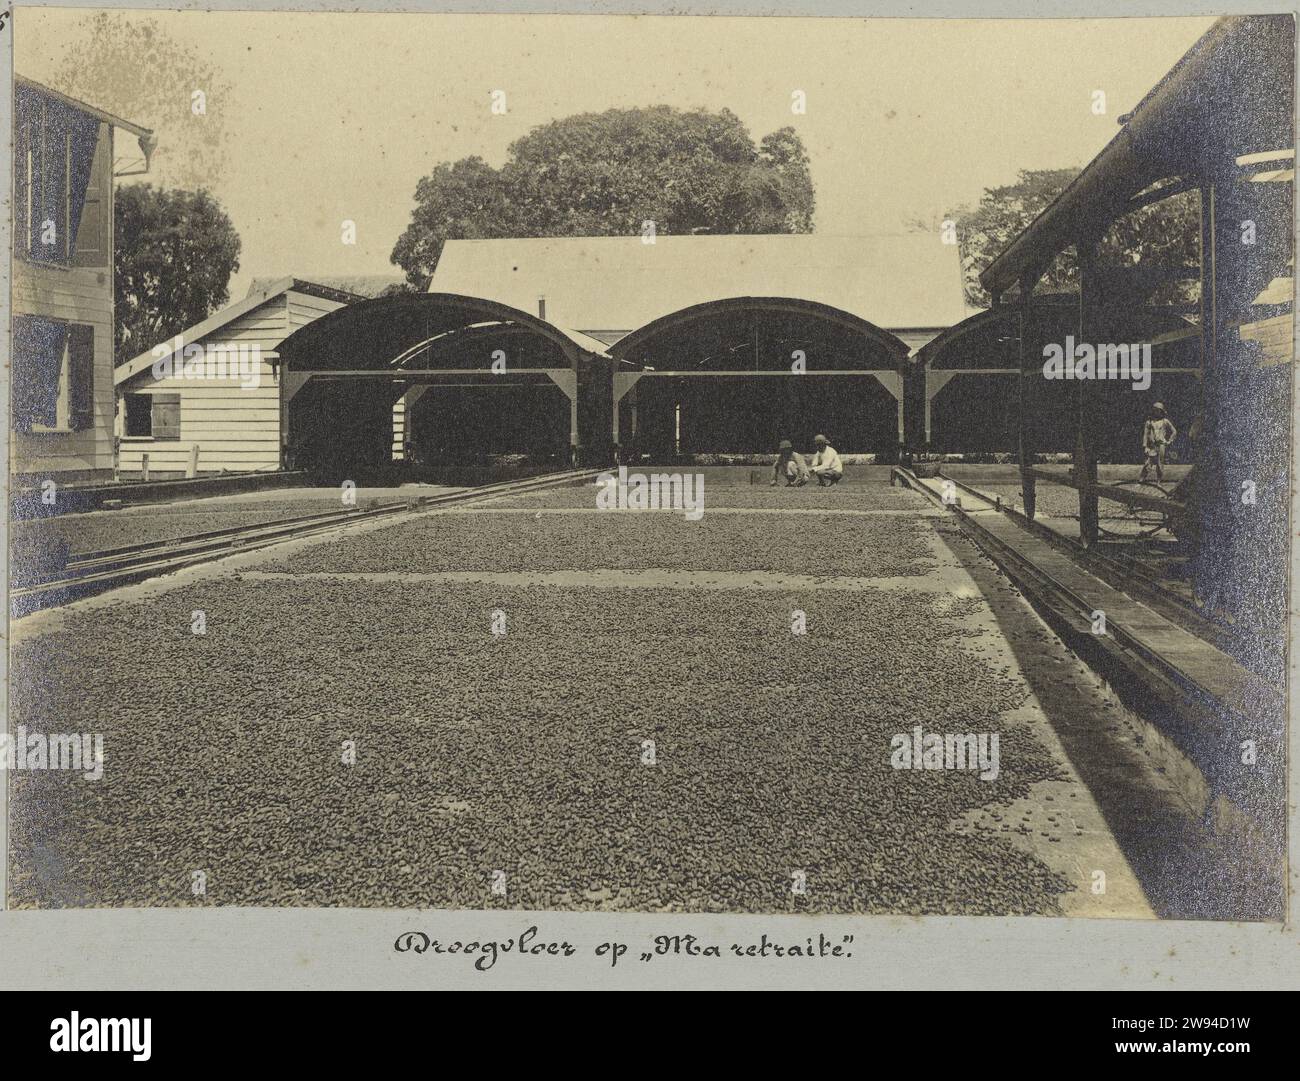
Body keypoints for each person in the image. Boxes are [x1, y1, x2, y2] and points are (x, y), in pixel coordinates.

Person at [1139, 402, 1177, 482]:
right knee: (1148, 462)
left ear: (1161, 411)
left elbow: (1174, 431)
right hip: (1152, 446)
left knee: (1160, 464)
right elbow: (1145, 435)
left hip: (1161, 445)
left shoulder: (1165, 421)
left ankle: (1158, 481)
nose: (1156, 412)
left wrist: (1169, 441)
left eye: (1158, 410)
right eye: (1154, 410)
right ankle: (1141, 479)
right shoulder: (1149, 422)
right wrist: (1145, 446)